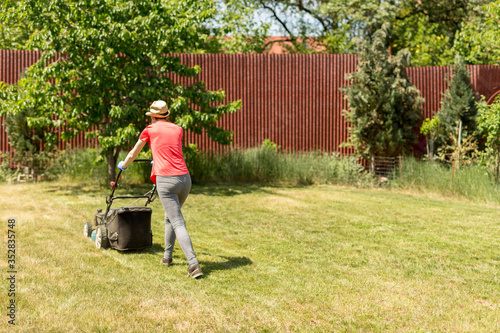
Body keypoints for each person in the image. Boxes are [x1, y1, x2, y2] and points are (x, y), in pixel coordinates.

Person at [117, 100, 203, 278]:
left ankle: (194, 265)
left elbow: (134, 152)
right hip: (185, 179)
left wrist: (123, 165)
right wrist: (157, 160)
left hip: (166, 180)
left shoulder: (149, 129)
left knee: (177, 222)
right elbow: (169, 149)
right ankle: (167, 257)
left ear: (153, 117)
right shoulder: (178, 129)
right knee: (170, 217)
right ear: (168, 115)